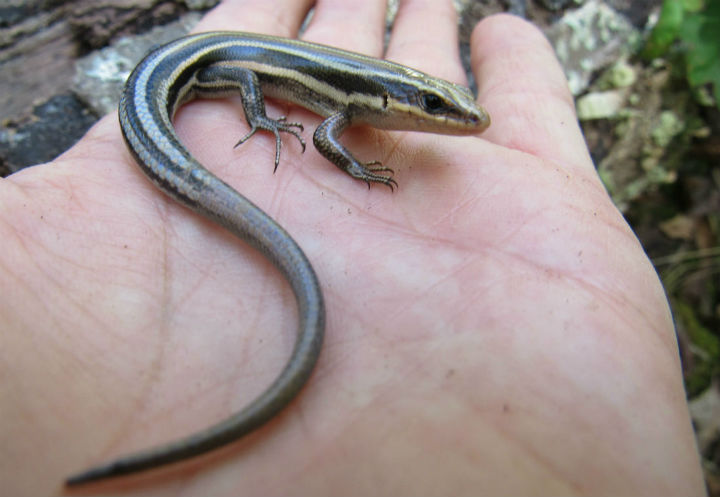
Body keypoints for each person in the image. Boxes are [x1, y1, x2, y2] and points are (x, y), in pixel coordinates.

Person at [0, 0, 706, 495]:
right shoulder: (349, 106)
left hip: (183, 67)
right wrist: (339, 157)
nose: (452, 121)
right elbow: (327, 134)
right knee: (250, 83)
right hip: (194, 71)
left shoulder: (376, 97)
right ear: (398, 103)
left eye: (442, 104)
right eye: (433, 108)